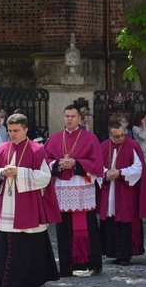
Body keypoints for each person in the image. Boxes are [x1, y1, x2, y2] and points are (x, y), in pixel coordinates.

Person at [0, 113, 61, 287]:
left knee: (25, 243)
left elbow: (45, 177)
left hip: (27, 203)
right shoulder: (2, 149)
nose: (12, 134)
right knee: (5, 242)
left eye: (17, 131)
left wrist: (19, 172)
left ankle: (21, 282)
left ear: (26, 130)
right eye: (10, 130)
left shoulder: (36, 149)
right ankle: (0, 283)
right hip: (7, 201)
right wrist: (2, 173)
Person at [44, 104, 104, 276]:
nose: (69, 119)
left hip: (82, 188)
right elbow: (45, 161)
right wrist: (57, 164)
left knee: (88, 226)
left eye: (73, 116)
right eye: (66, 116)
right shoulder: (55, 138)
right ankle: (67, 267)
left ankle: (91, 264)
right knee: (63, 228)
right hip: (62, 189)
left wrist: (76, 163)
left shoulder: (90, 138)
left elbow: (97, 164)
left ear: (79, 119)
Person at [98, 122, 146, 265]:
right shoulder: (104, 146)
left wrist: (121, 173)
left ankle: (125, 254)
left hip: (126, 191)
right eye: (116, 136)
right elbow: (97, 167)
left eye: (123, 135)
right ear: (110, 135)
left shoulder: (132, 145)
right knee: (111, 218)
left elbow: (138, 168)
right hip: (110, 189)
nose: (120, 139)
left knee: (126, 220)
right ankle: (113, 253)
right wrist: (106, 173)